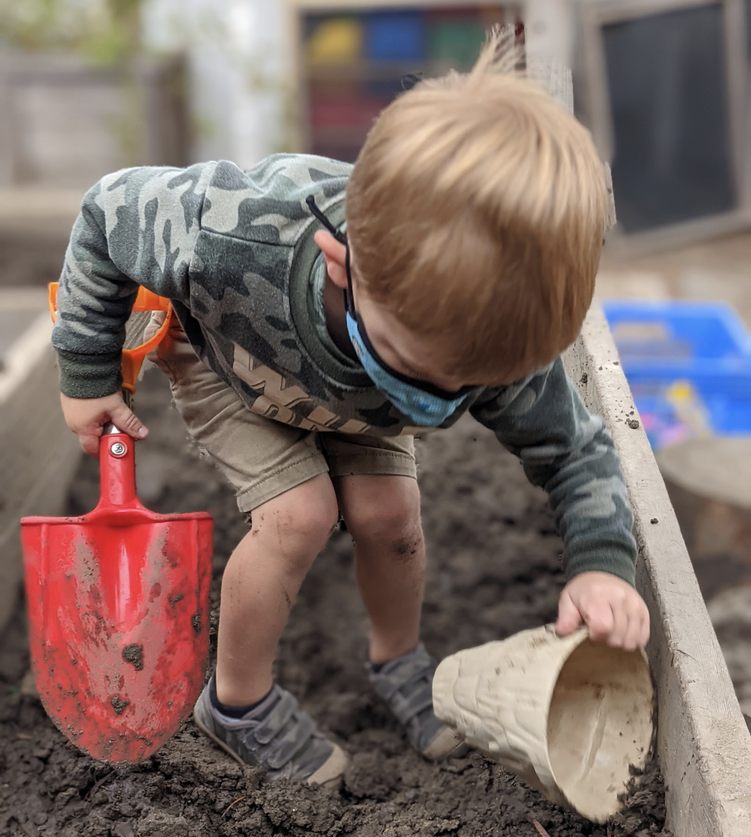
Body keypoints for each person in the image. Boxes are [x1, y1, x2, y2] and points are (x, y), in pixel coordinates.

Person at [51, 33, 649, 787]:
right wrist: (85, 371)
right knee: (299, 514)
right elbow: (105, 212)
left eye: (467, 386)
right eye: (423, 370)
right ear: (343, 261)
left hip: (358, 405)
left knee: (390, 516)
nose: (440, 398)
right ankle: (237, 702)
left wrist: (602, 567)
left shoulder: (488, 341)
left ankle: (398, 660)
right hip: (233, 361)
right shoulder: (230, 234)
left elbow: (576, 452)